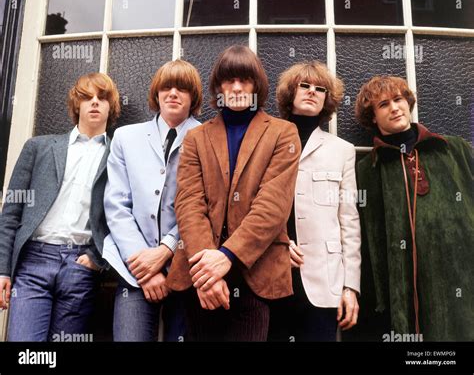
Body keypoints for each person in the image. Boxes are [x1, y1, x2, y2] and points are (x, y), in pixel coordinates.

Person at [166, 45, 301, 341]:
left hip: (255, 273)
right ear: (218, 87)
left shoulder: (283, 133)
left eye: (245, 80)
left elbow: (273, 206)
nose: (237, 87)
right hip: (199, 275)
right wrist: (207, 268)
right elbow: (188, 203)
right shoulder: (195, 137)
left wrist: (228, 256)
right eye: (229, 80)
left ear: (257, 85)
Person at [0, 73, 120, 341]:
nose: (94, 102)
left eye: (102, 98)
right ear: (76, 104)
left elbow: (123, 215)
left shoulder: (118, 155)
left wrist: (98, 260)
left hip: (80, 266)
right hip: (33, 262)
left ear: (111, 106)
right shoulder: (38, 147)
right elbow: (10, 214)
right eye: (87, 97)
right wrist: (2, 270)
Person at [355, 75, 473, 341]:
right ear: (373, 116)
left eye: (398, 100)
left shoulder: (454, 149)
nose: (395, 108)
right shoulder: (368, 170)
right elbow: (367, 238)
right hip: (406, 289)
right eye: (383, 104)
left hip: (462, 279)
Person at [103, 60, 202, 341]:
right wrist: (144, 268)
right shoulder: (125, 137)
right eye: (166, 87)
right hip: (133, 267)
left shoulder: (208, 137)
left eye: (182, 88)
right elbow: (116, 204)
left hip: (187, 266)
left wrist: (166, 249)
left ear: (192, 97)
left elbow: (206, 205)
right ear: (156, 94)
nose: (173, 93)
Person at [269, 61, 360, 341]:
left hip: (325, 281)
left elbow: (349, 220)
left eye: (320, 89)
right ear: (290, 94)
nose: (312, 92)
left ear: (327, 99)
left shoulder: (342, 150)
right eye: (304, 86)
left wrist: (350, 287)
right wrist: (278, 241)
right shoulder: (267, 141)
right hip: (272, 277)